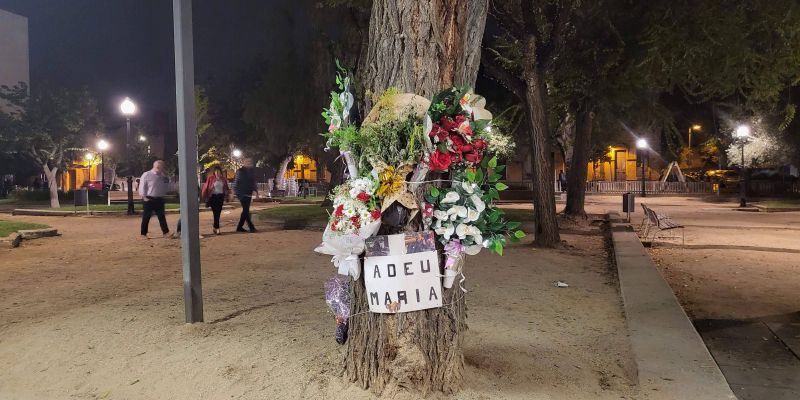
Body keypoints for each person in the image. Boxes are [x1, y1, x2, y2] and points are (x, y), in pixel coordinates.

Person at [139, 160, 171, 238]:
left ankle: (166, 232)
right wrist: (144, 196)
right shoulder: (146, 175)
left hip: (159, 199)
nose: (160, 169)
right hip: (149, 199)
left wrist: (167, 181)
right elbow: (142, 186)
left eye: (161, 168)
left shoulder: (163, 176)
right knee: (146, 217)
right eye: (158, 167)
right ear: (155, 167)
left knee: (161, 216)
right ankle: (143, 233)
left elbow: (166, 187)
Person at [200, 166, 229, 235]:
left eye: (219, 172)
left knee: (218, 213)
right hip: (213, 197)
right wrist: (204, 197)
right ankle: (217, 228)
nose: (217, 173)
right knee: (215, 213)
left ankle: (215, 227)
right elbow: (206, 187)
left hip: (220, 197)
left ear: (220, 172)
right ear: (214, 172)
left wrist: (227, 195)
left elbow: (226, 188)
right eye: (216, 172)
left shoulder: (223, 179)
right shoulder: (211, 178)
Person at [234, 157, 258, 232]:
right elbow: (236, 181)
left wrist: (256, 191)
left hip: (248, 193)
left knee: (245, 210)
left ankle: (239, 227)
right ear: (244, 162)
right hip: (241, 193)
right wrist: (233, 192)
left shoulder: (251, 171)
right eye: (247, 161)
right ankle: (251, 227)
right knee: (246, 210)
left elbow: (253, 182)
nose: (249, 163)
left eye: (250, 161)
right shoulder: (240, 171)